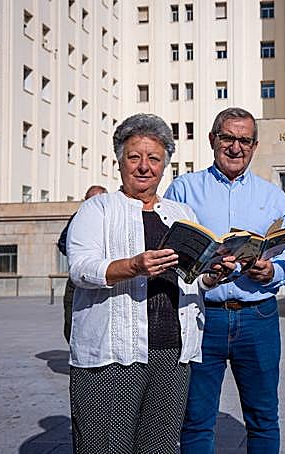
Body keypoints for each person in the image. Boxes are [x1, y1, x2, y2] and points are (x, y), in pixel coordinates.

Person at [66, 113, 234, 454]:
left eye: (154, 158)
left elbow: (194, 279)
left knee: (158, 446)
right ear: (120, 162)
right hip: (114, 355)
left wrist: (213, 275)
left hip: (173, 352)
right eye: (134, 157)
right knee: (105, 446)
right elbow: (80, 268)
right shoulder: (97, 209)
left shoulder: (182, 213)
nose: (144, 166)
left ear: (165, 165)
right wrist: (132, 266)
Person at [165, 107, 285, 453]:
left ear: (254, 146)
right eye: (228, 138)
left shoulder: (272, 196)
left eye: (244, 140)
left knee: (264, 417)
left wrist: (273, 271)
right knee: (196, 420)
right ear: (212, 140)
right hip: (201, 315)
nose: (235, 147)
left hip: (258, 317)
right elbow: (166, 249)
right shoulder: (183, 189)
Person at [57, 185, 107, 343]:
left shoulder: (112, 217)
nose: (93, 203)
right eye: (90, 199)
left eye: (98, 199)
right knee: (71, 320)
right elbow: (63, 243)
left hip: (107, 275)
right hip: (78, 278)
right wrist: (78, 255)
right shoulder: (78, 217)